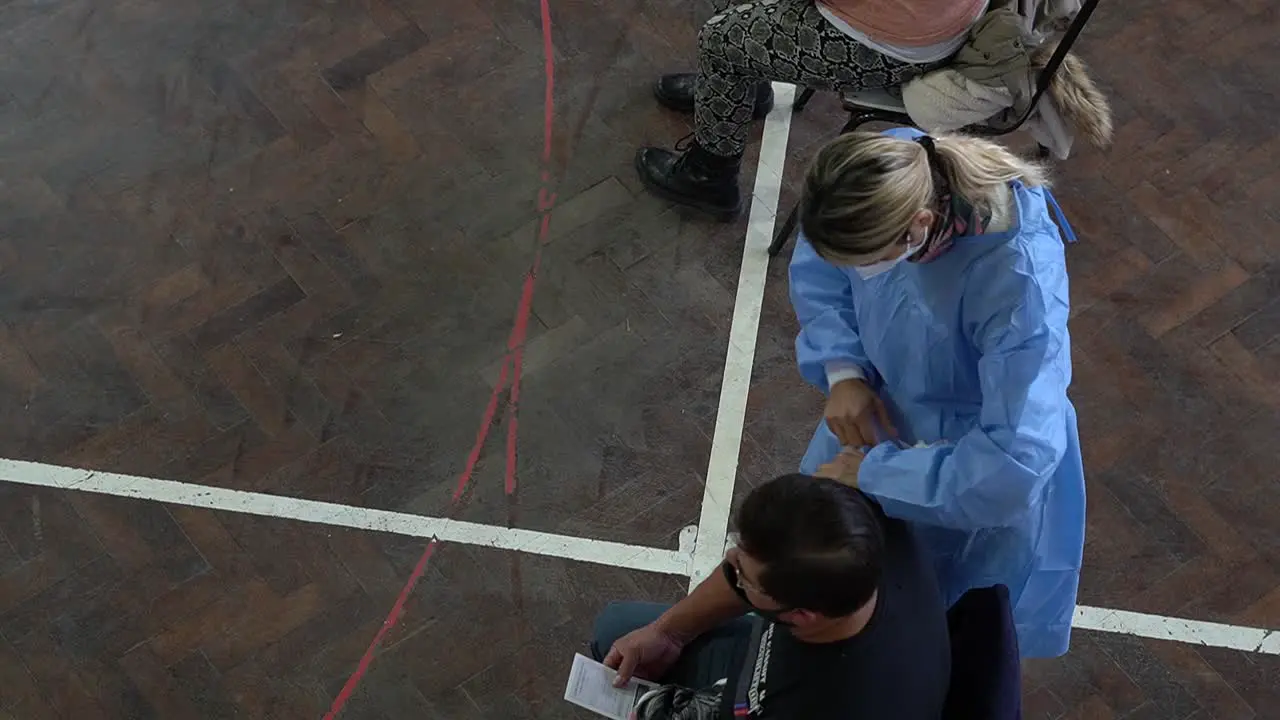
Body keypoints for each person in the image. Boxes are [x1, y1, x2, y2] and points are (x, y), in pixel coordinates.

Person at [789, 126, 1086, 659]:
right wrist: (844, 372)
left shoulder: (1019, 288)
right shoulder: (888, 174)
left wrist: (878, 474)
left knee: (939, 627)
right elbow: (823, 267)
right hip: (885, 416)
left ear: (919, 227)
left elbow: (1015, 461)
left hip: (968, 470)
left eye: (867, 259)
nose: (858, 271)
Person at [591, 473, 950, 719]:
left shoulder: (814, 703)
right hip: (775, 664)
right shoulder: (854, 526)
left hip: (788, 694)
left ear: (802, 615)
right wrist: (669, 631)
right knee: (616, 629)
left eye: (745, 578)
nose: (729, 562)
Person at [636, 0, 988, 221]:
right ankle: (740, 88)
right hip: (927, 18)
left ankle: (709, 177)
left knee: (720, 42)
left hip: (893, 41)